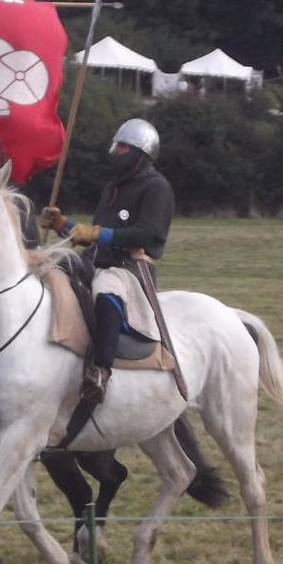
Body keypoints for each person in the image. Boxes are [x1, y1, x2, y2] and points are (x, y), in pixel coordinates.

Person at [40, 118, 174, 404]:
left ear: (141, 152)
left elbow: (148, 233)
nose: (116, 153)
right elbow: (93, 236)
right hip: (96, 259)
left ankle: (101, 371)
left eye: (123, 148)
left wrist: (98, 233)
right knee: (50, 268)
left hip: (129, 267)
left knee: (105, 291)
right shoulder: (113, 187)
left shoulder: (157, 188)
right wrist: (63, 225)